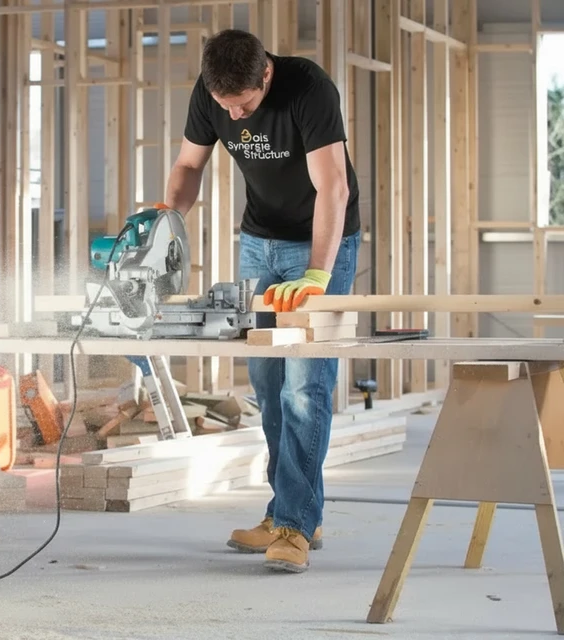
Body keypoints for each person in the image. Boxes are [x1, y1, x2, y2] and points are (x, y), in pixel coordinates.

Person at [163, 29, 361, 573]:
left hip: (319, 240)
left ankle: (296, 525)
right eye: (227, 106)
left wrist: (318, 273)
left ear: (266, 75)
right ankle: (290, 513)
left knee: (305, 384)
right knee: (269, 385)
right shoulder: (212, 92)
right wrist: (165, 219)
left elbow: (334, 189)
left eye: (245, 104)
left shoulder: (308, 89)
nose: (235, 114)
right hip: (259, 242)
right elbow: (188, 167)